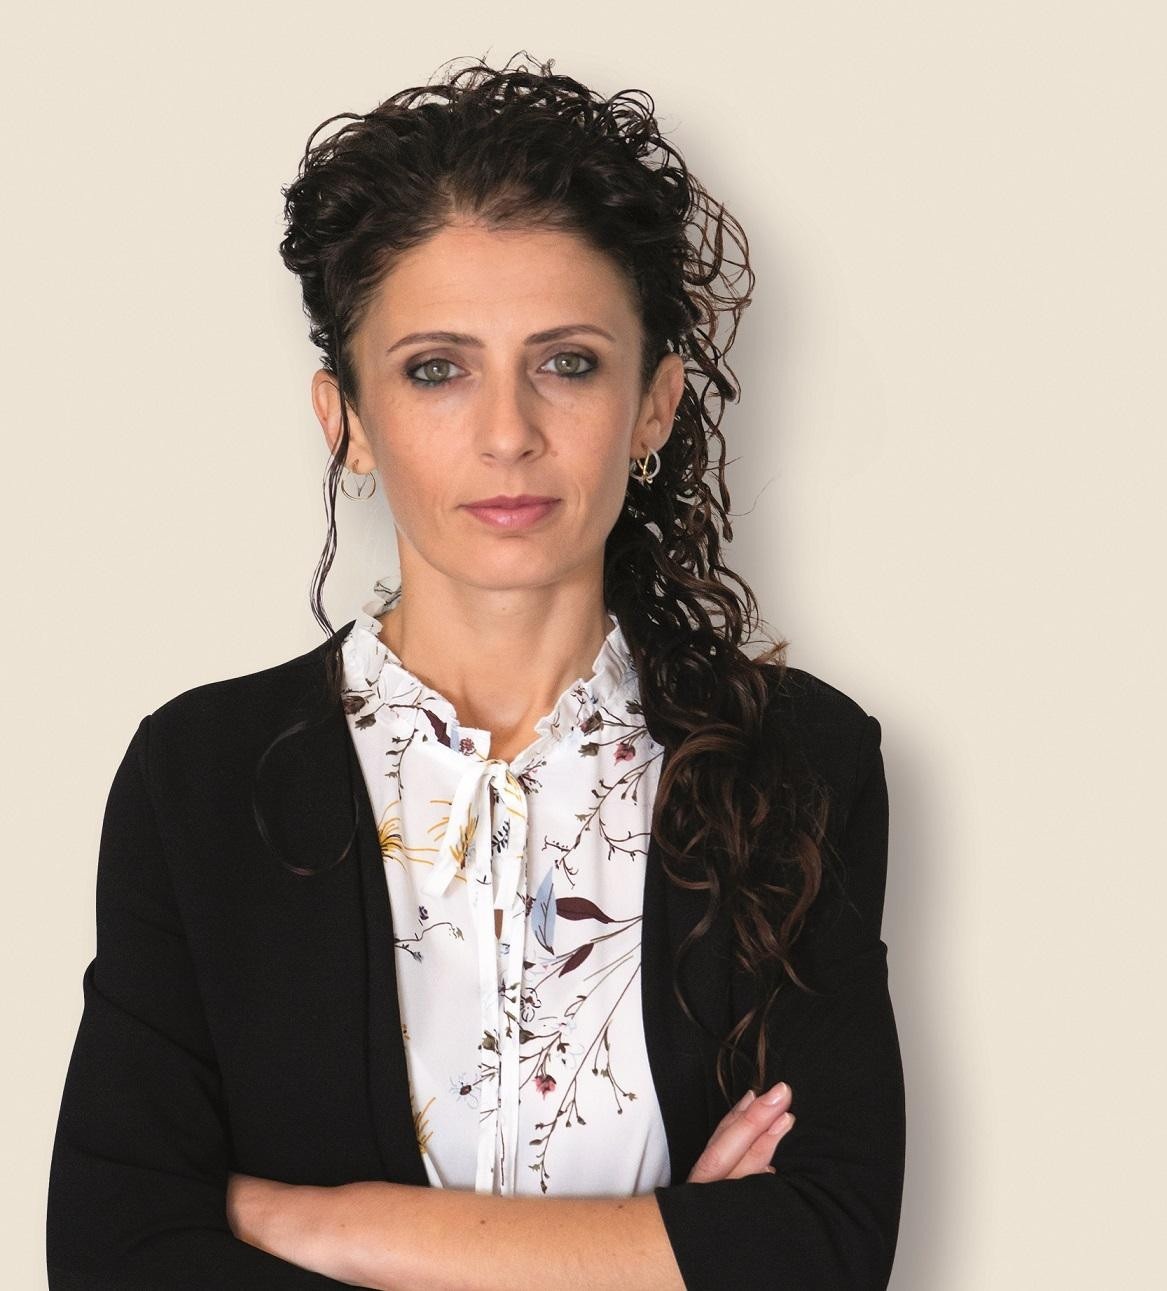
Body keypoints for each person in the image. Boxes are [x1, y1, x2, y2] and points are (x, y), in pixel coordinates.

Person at [46, 51, 904, 1290]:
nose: (508, 432)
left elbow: (823, 1247)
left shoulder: (801, 761)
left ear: (654, 405)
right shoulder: (200, 776)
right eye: (435, 368)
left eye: (569, 362)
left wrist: (320, 1224)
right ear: (345, 418)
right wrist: (661, 1251)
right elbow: (114, 1253)